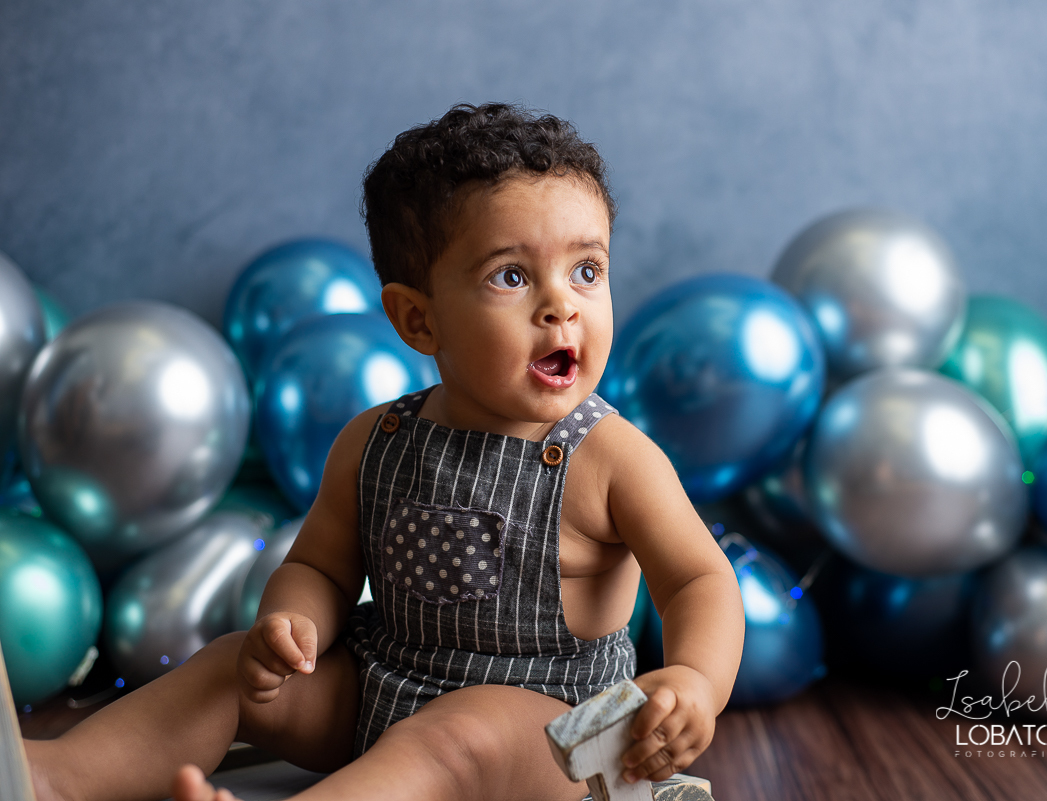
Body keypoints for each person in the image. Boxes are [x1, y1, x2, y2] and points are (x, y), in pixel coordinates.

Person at [26, 102, 745, 801]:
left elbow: (699, 582)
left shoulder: (610, 455)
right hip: (382, 689)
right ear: (417, 318)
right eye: (513, 276)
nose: (562, 306)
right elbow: (317, 565)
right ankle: (57, 777)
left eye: (586, 270)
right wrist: (292, 626)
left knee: (454, 739)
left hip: (554, 739)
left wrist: (695, 681)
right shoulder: (377, 440)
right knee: (229, 667)